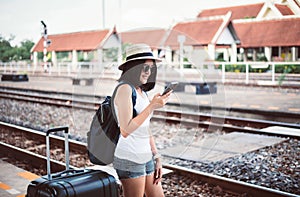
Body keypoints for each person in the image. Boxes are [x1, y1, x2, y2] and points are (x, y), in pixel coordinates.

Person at [112, 43, 171, 197]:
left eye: (151, 68)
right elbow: (125, 130)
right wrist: (151, 106)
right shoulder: (124, 89)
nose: (149, 72)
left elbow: (144, 126)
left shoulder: (141, 91)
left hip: (145, 155)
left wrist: (156, 155)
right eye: (145, 67)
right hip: (130, 158)